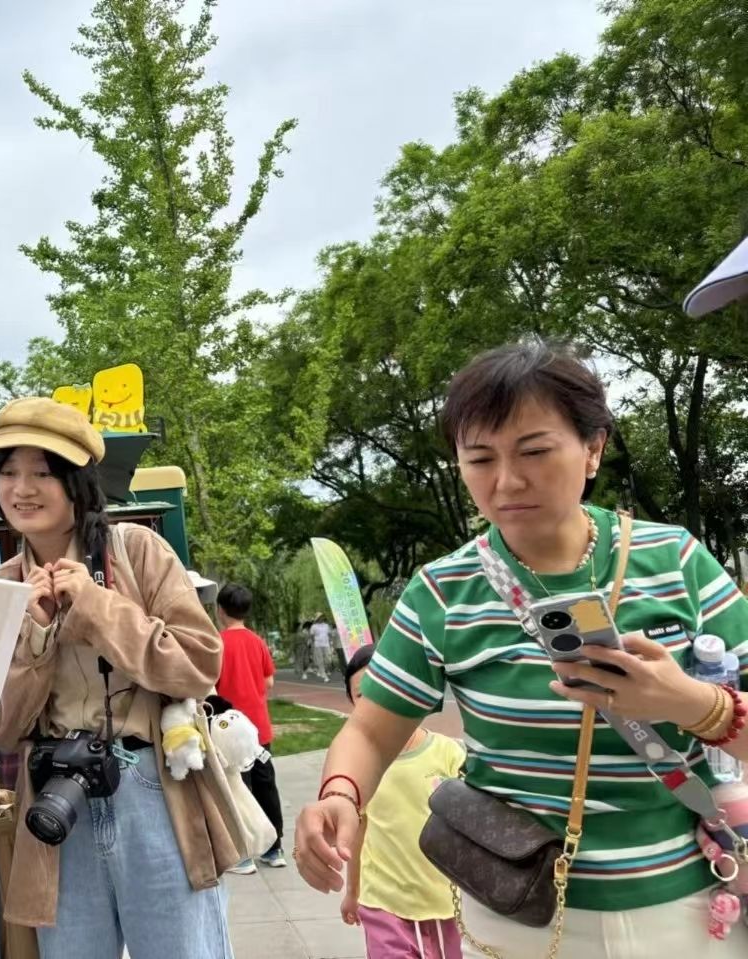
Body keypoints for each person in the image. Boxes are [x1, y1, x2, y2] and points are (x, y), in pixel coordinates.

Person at [295, 341, 748, 956]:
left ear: (593, 448)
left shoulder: (677, 562)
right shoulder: (442, 591)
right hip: (519, 912)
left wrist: (693, 703)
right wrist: (338, 796)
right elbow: (373, 732)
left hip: (685, 909)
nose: (506, 481)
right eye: (479, 459)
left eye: (534, 451)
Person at [0, 397, 237, 959]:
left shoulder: (138, 551)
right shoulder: (3, 587)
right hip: (55, 799)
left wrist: (97, 606)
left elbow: (199, 664)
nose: (21, 488)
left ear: (78, 484)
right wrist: (39, 634)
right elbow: (2, 728)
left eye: (42, 473)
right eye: (8, 472)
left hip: (152, 782)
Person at [339, 644, 464, 959]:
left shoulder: (449, 754)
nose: (375, 704)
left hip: (445, 904)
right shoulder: (360, 765)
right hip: (383, 902)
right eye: (361, 696)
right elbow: (357, 831)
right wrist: (352, 892)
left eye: (383, 690)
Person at [214, 582, 286, 874]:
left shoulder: (217, 643)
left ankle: (243, 854)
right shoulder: (257, 641)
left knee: (236, 789)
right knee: (265, 784)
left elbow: (212, 685)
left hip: (228, 732)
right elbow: (269, 681)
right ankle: (273, 848)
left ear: (220, 610)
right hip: (258, 728)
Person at [310, 615, 335, 681]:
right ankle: (324, 675)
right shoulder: (314, 626)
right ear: (317, 618)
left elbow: (329, 634)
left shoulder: (326, 625)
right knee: (320, 660)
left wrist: (331, 641)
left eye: (322, 617)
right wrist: (314, 643)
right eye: (319, 617)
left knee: (328, 659)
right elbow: (312, 636)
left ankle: (324, 671)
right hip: (318, 645)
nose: (321, 618)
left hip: (326, 644)